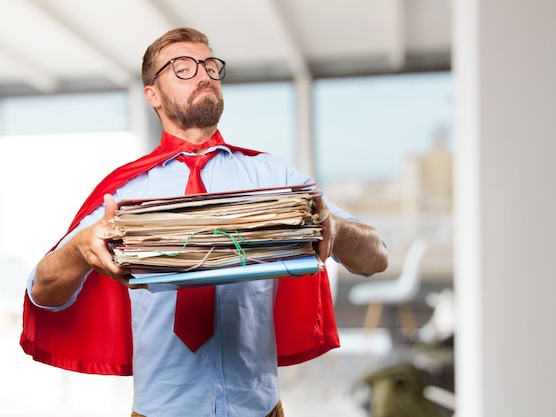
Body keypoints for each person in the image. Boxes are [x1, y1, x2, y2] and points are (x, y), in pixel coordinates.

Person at [20, 27, 388, 417]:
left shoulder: (274, 179)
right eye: (182, 67)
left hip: (259, 409)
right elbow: (42, 291)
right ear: (153, 95)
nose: (203, 74)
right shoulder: (122, 194)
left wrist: (336, 227)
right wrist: (80, 250)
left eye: (210, 65)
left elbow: (376, 257)